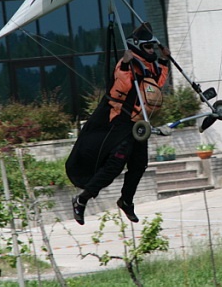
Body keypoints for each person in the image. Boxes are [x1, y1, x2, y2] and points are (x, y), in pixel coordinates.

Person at [65, 23, 170, 225]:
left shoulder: (150, 66)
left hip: (138, 124)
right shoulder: (127, 64)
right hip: (120, 121)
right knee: (114, 165)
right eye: (148, 47)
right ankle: (82, 199)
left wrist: (164, 60)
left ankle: (126, 201)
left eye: (153, 47)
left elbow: (156, 86)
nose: (151, 51)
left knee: (139, 164)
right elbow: (121, 87)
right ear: (138, 46)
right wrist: (125, 64)